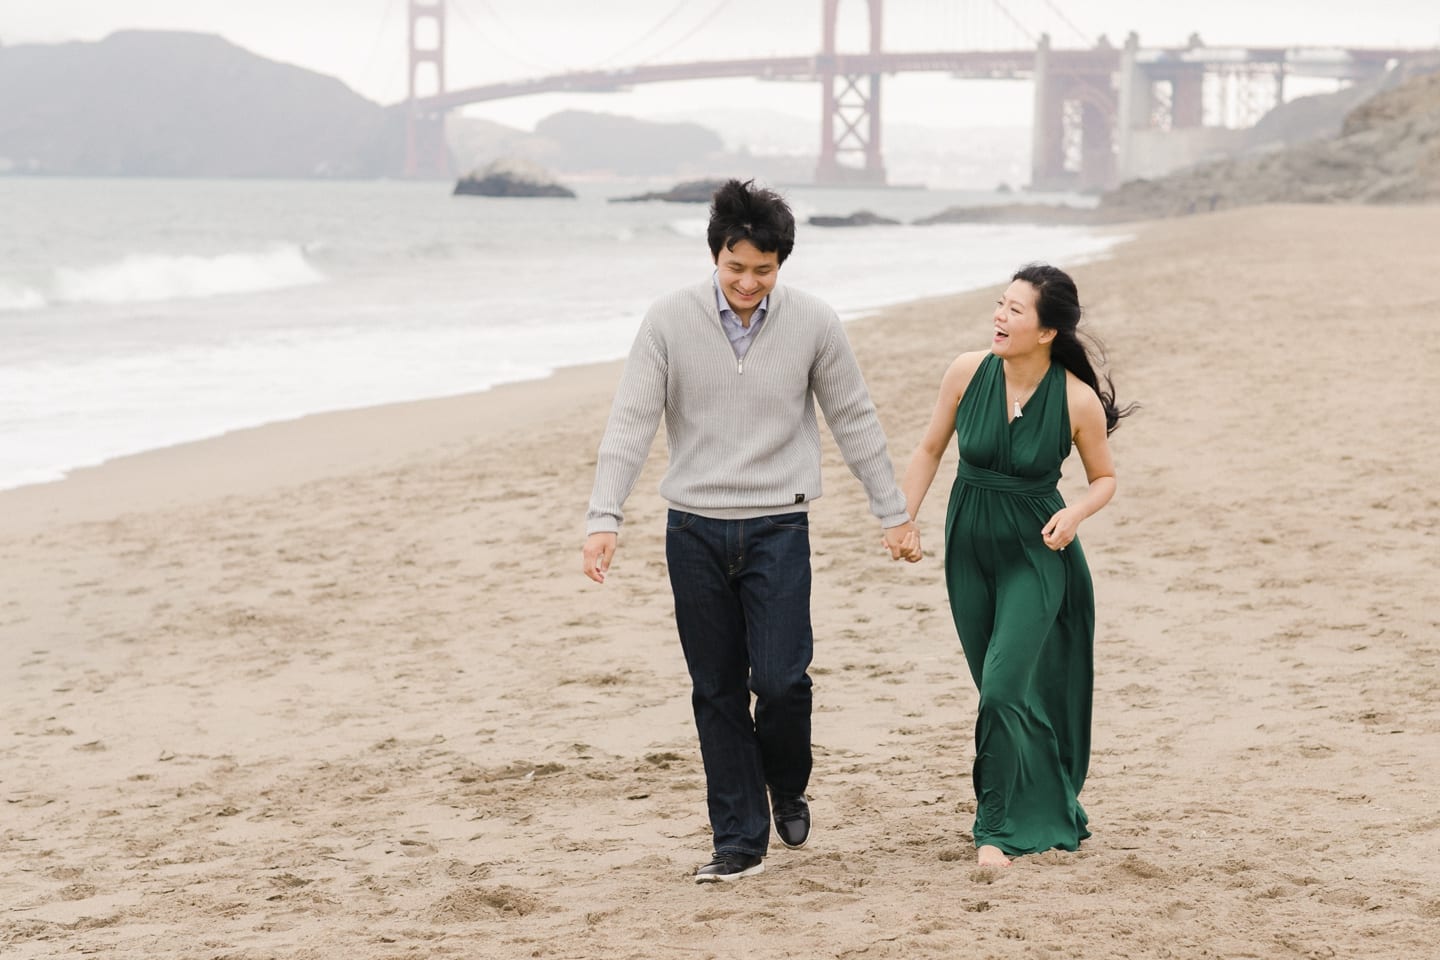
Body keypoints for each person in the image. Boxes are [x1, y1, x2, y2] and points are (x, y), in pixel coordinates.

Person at [581, 178, 920, 883]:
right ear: (715, 256)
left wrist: (892, 511)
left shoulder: (815, 322)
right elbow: (631, 422)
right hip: (694, 530)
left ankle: (786, 782)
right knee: (716, 690)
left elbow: (853, 418)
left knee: (784, 680)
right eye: (735, 267)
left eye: (763, 271)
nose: (747, 283)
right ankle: (739, 838)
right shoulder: (669, 320)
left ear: (781, 266)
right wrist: (603, 517)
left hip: (777, 525)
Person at [898, 263, 1132, 867]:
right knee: (998, 688)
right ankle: (1052, 799)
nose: (1000, 317)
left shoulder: (1077, 400)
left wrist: (1076, 513)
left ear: (1047, 330)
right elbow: (929, 448)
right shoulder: (965, 371)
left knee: (1002, 690)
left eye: (1015, 310)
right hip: (968, 548)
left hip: (1037, 552)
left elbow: (1104, 478)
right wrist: (904, 518)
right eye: (1000, 304)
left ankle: (994, 830)